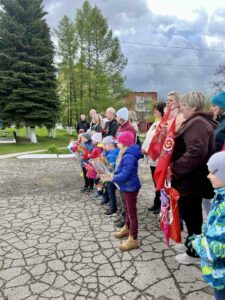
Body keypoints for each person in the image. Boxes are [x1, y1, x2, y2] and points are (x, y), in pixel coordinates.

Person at [171, 91, 217, 265]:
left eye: (185, 105)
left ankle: (194, 253)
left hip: (191, 179)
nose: (181, 108)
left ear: (195, 107)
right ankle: (190, 243)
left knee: (192, 215)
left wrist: (174, 168)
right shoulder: (197, 121)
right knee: (191, 213)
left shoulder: (197, 122)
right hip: (190, 178)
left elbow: (196, 152)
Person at [191, 151, 225, 300]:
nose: (208, 176)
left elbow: (216, 247)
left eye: (212, 172)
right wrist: (204, 233)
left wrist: (197, 243)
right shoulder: (220, 195)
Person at [106, 131, 142, 251]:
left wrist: (113, 177)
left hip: (130, 187)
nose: (117, 144)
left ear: (124, 143)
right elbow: (121, 171)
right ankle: (127, 228)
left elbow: (125, 175)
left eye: (119, 142)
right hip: (126, 186)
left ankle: (133, 238)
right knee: (127, 209)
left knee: (132, 213)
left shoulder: (129, 156)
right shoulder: (125, 153)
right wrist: (113, 174)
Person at [142, 102, 166, 214]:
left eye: (156, 109)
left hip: (157, 159)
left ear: (162, 111)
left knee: (159, 183)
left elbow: (159, 143)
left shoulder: (163, 124)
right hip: (151, 158)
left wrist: (148, 150)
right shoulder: (155, 123)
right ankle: (157, 202)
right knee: (156, 183)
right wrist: (144, 148)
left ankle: (160, 204)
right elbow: (148, 139)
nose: (154, 111)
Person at [101, 136, 120, 215]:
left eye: (105, 145)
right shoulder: (108, 152)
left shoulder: (113, 154)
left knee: (110, 191)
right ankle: (111, 204)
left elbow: (111, 167)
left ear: (111, 145)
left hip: (112, 175)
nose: (103, 147)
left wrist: (103, 162)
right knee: (108, 189)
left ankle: (113, 208)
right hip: (110, 174)